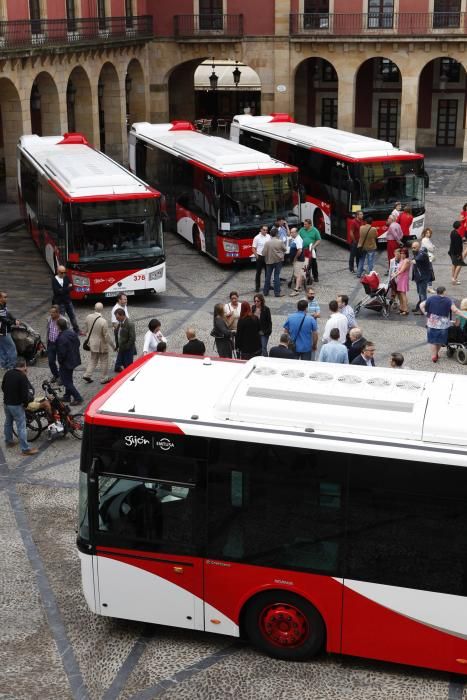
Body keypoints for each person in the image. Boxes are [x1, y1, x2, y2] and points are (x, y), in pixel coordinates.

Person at [2, 357, 39, 455]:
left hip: (6, 403)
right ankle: (25, 449)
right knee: (21, 426)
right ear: (24, 366)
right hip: (16, 405)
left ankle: (8, 441)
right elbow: (24, 395)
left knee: (8, 422)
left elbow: (3, 387)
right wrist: (25, 405)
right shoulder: (22, 376)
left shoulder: (8, 373)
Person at [420, 286, 467, 363]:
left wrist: (426, 313)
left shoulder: (431, 298)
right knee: (440, 340)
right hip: (443, 324)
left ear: (437, 292)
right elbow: (455, 310)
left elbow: (421, 305)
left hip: (432, 322)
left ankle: (434, 356)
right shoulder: (448, 300)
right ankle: (436, 353)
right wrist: (465, 316)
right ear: (444, 292)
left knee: (432, 340)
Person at [82, 302, 115, 384]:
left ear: (94, 308)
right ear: (102, 309)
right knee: (104, 360)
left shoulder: (88, 317)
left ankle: (87, 375)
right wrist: (113, 346)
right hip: (101, 345)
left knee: (93, 359)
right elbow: (106, 336)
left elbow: (85, 330)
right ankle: (104, 377)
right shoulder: (103, 321)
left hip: (92, 344)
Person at [55, 318, 83, 405]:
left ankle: (78, 397)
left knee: (66, 381)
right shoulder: (72, 333)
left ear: (59, 327)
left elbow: (61, 353)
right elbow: (78, 343)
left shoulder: (61, 338)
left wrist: (60, 361)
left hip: (66, 362)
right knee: (68, 378)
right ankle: (67, 396)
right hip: (73, 359)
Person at [51, 266, 81, 334]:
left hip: (68, 301)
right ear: (58, 272)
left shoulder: (66, 277)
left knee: (73, 316)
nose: (64, 274)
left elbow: (72, 287)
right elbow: (57, 292)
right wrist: (67, 288)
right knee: (62, 318)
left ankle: (76, 330)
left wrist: (63, 290)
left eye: (65, 272)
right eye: (62, 273)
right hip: (60, 303)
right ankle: (63, 332)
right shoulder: (54, 280)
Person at [263, 228, 286, 297]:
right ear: (277, 234)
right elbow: (285, 249)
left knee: (268, 276)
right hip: (278, 260)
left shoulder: (267, 243)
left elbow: (263, 253)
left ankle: (265, 292)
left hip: (269, 261)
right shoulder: (280, 242)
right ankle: (277, 293)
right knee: (276, 276)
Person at [45, 305, 66, 384]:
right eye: (50, 312)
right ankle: (56, 375)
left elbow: (67, 332)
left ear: (58, 313)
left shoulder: (63, 320)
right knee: (51, 361)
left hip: (60, 344)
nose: (51, 314)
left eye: (53, 312)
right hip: (51, 343)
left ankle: (61, 377)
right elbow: (48, 330)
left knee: (61, 361)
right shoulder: (49, 319)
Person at [0, 290, 20, 370]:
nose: (6, 299)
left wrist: (15, 319)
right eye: (4, 297)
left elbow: (8, 314)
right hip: (3, 331)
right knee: (12, 348)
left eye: (6, 297)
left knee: (2, 348)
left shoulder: (3, 305)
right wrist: (13, 322)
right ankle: (11, 366)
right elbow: (4, 319)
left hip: (3, 331)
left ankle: (3, 364)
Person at [391, 248, 410, 315]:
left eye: (403, 253)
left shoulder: (406, 261)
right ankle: (401, 308)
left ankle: (406, 309)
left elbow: (402, 270)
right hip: (400, 278)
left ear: (406, 254)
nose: (402, 255)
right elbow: (398, 268)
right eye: (401, 253)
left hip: (403, 279)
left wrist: (395, 274)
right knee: (400, 295)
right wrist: (394, 273)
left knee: (403, 294)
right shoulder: (402, 260)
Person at [252, 225, 270, 292]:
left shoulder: (268, 236)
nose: (265, 231)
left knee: (267, 272)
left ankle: (267, 285)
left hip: (267, 256)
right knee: (258, 273)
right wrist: (257, 256)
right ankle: (257, 287)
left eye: (266, 230)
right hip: (260, 256)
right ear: (261, 230)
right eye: (264, 230)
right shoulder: (257, 238)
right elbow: (253, 248)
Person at [449, 220, 467, 285]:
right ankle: (454, 279)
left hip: (452, 251)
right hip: (456, 252)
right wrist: (459, 254)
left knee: (454, 264)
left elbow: (455, 242)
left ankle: (453, 278)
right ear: (459, 227)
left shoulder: (452, 232)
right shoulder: (457, 235)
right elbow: (457, 245)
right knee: (459, 264)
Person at [288, 227, 306, 295]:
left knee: (298, 275)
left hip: (299, 260)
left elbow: (300, 250)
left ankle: (296, 290)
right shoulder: (295, 238)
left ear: (296, 232)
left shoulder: (298, 239)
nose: (291, 233)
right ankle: (300, 287)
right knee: (297, 274)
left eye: (293, 232)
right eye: (291, 232)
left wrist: (295, 258)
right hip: (298, 260)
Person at [420, 227, 436, 294]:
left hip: (427, 258)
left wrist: (432, 247)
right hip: (427, 259)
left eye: (429, 233)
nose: (428, 234)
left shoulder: (427, 239)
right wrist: (433, 247)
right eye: (427, 233)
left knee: (428, 272)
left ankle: (428, 286)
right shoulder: (425, 240)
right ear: (424, 233)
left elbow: (432, 247)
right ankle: (429, 287)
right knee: (429, 272)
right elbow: (431, 248)